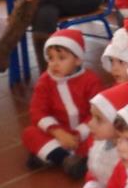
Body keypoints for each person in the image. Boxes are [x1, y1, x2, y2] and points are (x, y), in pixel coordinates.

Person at [20, 30, 103, 177]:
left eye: (61, 58)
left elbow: (97, 112)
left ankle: (51, 155)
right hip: (57, 132)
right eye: (51, 58)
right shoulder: (45, 81)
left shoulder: (90, 80)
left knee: (102, 139)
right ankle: (66, 159)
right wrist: (58, 132)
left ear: (78, 60)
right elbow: (37, 111)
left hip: (84, 133)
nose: (55, 64)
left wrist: (78, 134)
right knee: (29, 133)